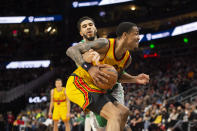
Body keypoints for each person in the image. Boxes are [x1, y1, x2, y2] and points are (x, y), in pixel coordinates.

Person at [66, 21, 150, 131]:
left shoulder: (127, 59)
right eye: (136, 34)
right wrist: (89, 67)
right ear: (125, 35)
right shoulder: (105, 44)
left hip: (97, 88)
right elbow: (71, 50)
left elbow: (116, 77)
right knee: (114, 115)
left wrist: (134, 79)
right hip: (80, 83)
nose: (139, 37)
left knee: (124, 113)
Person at [76, 16, 126, 131]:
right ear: (81, 32)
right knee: (102, 128)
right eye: (84, 26)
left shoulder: (107, 44)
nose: (88, 27)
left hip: (114, 89)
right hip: (97, 93)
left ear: (95, 28)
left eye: (90, 25)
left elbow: (118, 67)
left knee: (118, 122)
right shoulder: (79, 49)